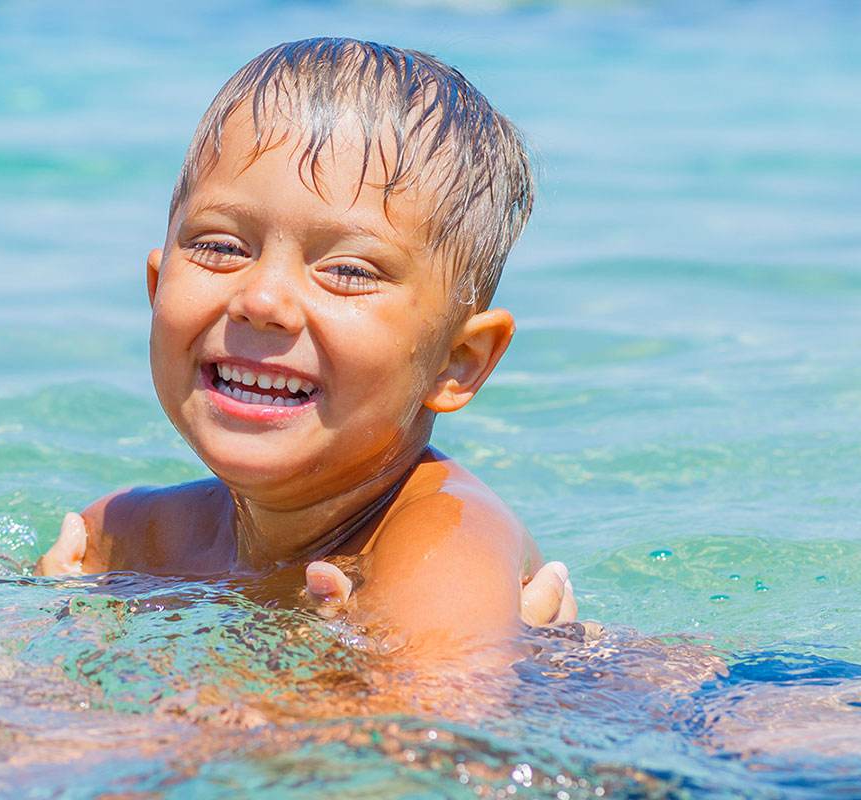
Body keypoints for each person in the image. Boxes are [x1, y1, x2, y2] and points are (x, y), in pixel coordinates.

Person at [36, 37, 576, 671]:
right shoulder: (135, 537)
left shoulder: (444, 546)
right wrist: (52, 617)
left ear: (459, 361)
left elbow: (424, 756)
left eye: (347, 269)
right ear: (157, 292)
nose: (261, 299)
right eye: (221, 246)